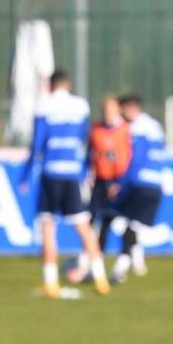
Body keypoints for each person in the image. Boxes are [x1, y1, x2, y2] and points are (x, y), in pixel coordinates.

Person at [18, 70, 108, 297]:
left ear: (50, 85)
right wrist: (88, 169)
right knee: (84, 226)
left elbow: (37, 144)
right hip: (72, 174)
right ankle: (101, 278)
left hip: (51, 174)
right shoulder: (81, 106)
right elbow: (87, 143)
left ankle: (51, 283)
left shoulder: (44, 105)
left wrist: (25, 176)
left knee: (48, 227)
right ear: (67, 84)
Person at [110, 94, 168, 284]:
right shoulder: (154, 126)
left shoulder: (136, 128)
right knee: (134, 225)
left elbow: (135, 160)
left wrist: (121, 182)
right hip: (156, 183)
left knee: (127, 225)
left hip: (140, 183)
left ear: (129, 108)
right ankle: (137, 262)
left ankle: (120, 267)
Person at [72, 94, 130, 284]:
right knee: (90, 221)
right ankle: (89, 263)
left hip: (117, 182)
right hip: (98, 182)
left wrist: (119, 182)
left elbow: (126, 158)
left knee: (121, 222)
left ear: (118, 110)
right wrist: (88, 175)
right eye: (105, 109)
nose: (108, 113)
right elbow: (90, 155)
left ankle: (126, 263)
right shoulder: (96, 129)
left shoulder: (125, 130)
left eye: (111, 109)